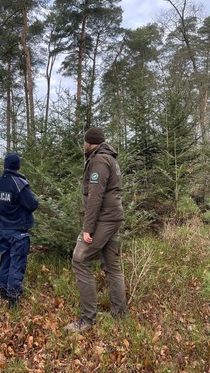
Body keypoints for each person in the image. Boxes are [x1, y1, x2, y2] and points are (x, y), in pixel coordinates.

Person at [65, 127, 127, 332]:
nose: (83, 145)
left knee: (80, 260)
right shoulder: (110, 158)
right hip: (113, 216)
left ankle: (87, 320)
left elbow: (95, 196)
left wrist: (87, 229)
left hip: (104, 218)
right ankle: (119, 314)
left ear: (89, 142)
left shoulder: (99, 160)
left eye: (84, 142)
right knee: (112, 265)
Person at [0, 152, 39, 310]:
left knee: (5, 262)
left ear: (5, 165)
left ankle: (3, 293)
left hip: (2, 230)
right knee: (17, 264)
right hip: (18, 232)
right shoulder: (19, 183)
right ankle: (13, 301)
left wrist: (3, 208)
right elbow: (32, 204)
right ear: (18, 166)